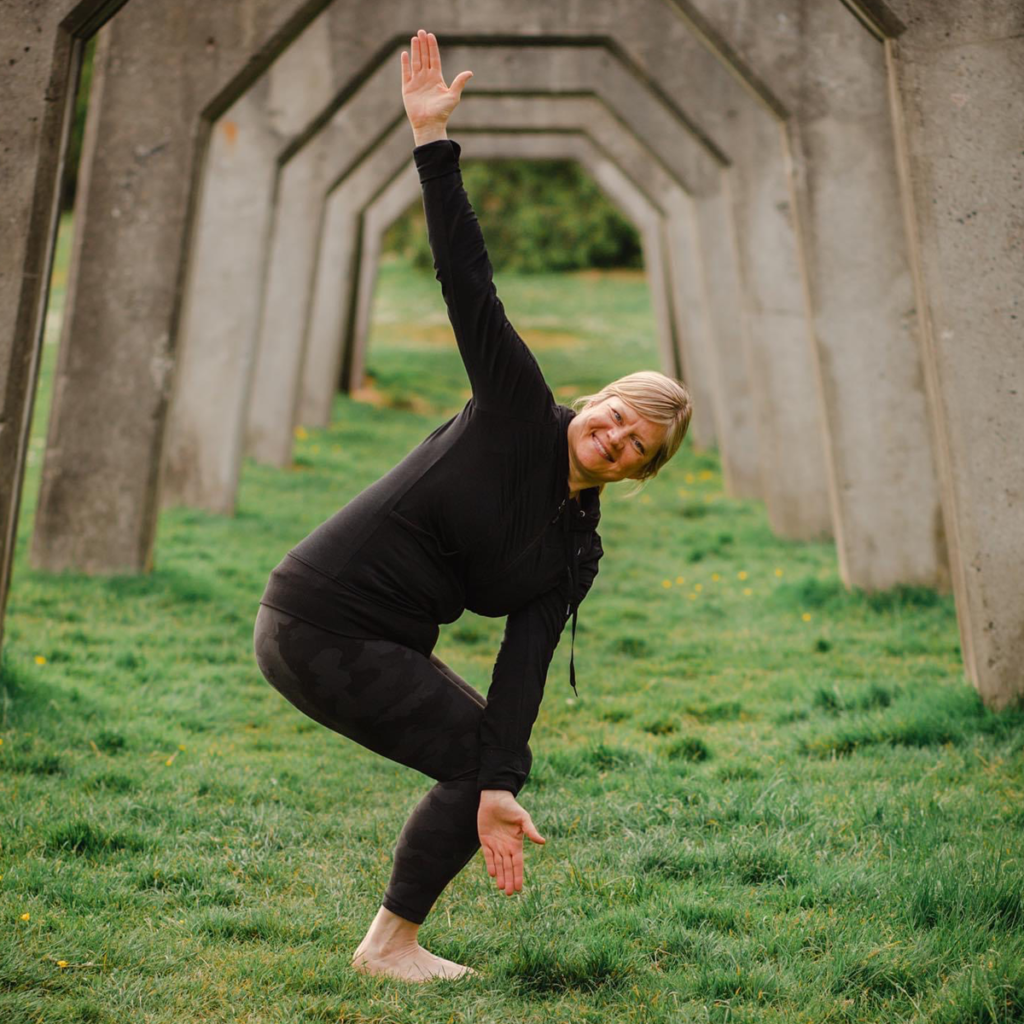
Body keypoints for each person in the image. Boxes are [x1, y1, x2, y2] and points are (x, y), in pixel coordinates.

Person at [252, 29, 692, 983]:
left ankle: (393, 939)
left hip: (372, 640)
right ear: (599, 399)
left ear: (639, 474)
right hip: (319, 618)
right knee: (477, 761)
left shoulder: (576, 549)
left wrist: (506, 778)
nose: (616, 438)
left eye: (637, 448)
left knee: (489, 756)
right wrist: (430, 144)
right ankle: (390, 948)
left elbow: (524, 663)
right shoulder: (515, 409)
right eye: (618, 416)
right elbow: (467, 282)